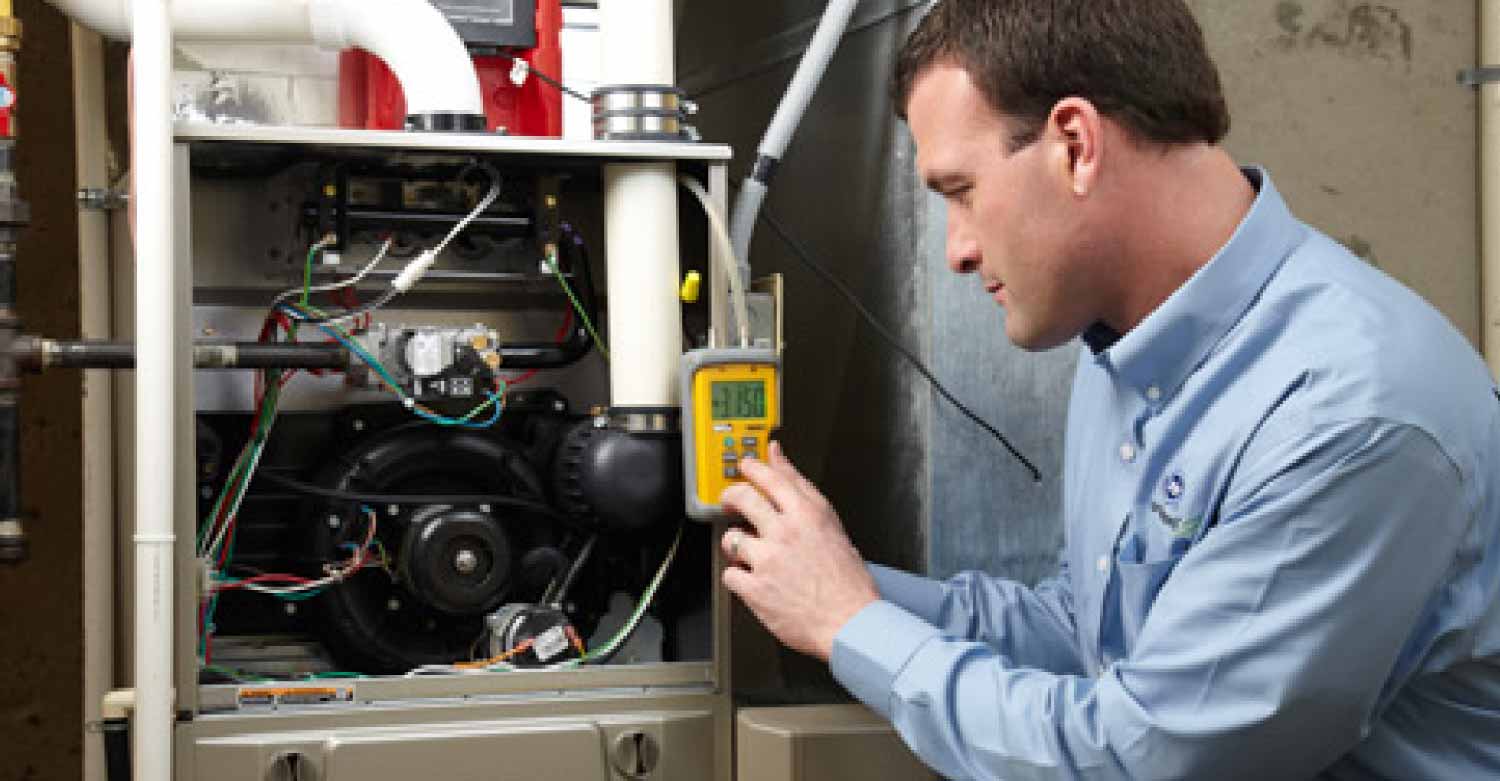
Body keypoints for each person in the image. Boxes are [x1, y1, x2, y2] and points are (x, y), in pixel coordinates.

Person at [717, 0, 1500, 777]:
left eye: (961, 190)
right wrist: (826, 575)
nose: (956, 248)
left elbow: (1140, 758)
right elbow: (1083, 633)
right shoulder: (1122, 355)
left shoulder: (1349, 411)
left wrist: (849, 623)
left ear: (1075, 144)